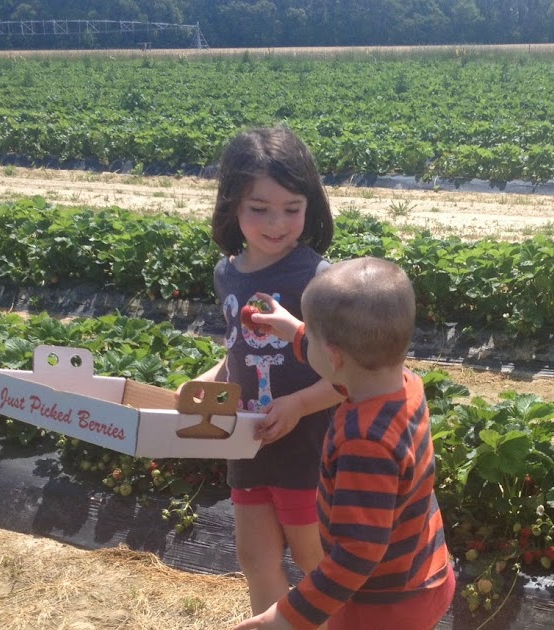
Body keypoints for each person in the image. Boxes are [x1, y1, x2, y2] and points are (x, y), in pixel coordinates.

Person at [233, 257, 455, 630]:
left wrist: (285, 617)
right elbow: (342, 367)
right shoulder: (401, 382)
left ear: (333, 355)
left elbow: (356, 554)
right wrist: (294, 331)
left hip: (384, 602)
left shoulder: (364, 442)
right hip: (426, 571)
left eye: (313, 340)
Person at [177, 126, 343, 620]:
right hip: (247, 442)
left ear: (311, 205)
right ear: (231, 205)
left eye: (292, 209)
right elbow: (240, 348)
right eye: (260, 209)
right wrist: (213, 378)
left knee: (316, 562)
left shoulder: (319, 280)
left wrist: (297, 405)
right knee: (255, 558)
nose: (278, 223)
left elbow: (346, 374)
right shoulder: (228, 273)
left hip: (305, 448)